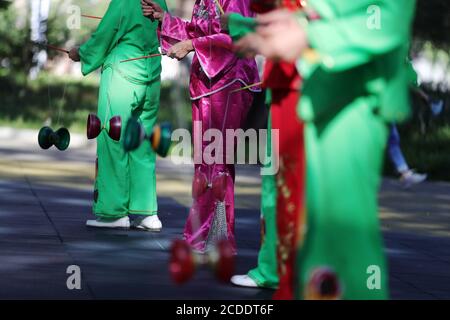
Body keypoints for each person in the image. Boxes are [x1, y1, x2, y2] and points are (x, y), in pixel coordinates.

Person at [236, 0, 417, 299]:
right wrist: (297, 21)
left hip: (356, 93)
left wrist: (310, 34)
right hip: (321, 88)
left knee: (344, 236)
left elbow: (389, 16)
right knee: (316, 237)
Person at [141, 0, 260, 253]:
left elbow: (240, 38)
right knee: (205, 162)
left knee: (217, 162)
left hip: (230, 81)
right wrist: (165, 19)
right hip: (205, 83)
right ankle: (211, 236)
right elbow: (198, 31)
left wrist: (192, 45)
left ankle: (212, 237)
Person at [222, 1, 305, 300]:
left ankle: (278, 271)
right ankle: (282, 270)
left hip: (295, 84)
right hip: (298, 83)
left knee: (283, 187)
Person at [68, 0, 168, 230]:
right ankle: (146, 213)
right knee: (143, 141)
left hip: (123, 74)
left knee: (113, 138)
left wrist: (81, 53)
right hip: (151, 74)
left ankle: (114, 213)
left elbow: (106, 33)